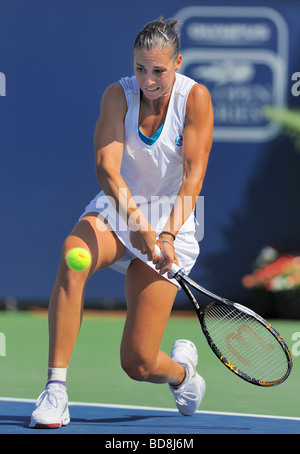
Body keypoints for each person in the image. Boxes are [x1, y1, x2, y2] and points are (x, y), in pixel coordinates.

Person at [30, 17, 213, 428]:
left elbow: (193, 176)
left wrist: (163, 233)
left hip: (174, 221)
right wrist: (136, 223)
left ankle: (183, 374)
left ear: (177, 63)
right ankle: (55, 390)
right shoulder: (118, 95)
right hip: (119, 208)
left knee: (139, 363)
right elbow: (107, 170)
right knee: (73, 253)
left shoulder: (195, 99)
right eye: (140, 69)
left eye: (159, 71)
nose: (148, 80)